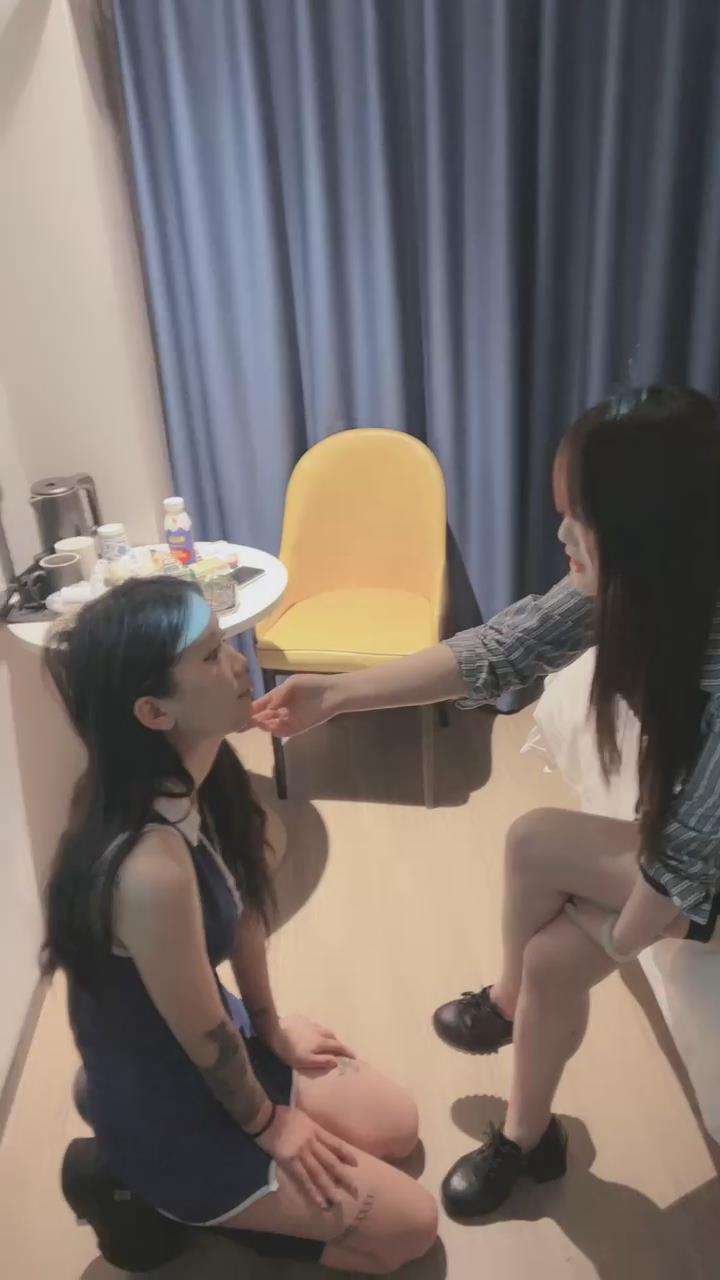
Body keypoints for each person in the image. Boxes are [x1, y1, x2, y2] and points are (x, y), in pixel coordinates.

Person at [253, 385, 720, 1219]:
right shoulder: (646, 585)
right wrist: (338, 695)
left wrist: (612, 939)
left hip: (702, 872)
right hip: (686, 845)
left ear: (650, 532)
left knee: (554, 956)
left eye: (579, 520)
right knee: (532, 843)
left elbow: (683, 866)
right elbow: (504, 648)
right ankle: (511, 1030)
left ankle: (525, 1131)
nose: (560, 536)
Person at [43, 577, 438, 1273]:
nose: (237, 663)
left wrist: (270, 1025)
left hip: (209, 1040)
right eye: (208, 655)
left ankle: (116, 1110)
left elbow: (244, 909)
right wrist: (269, 1123)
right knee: (410, 1231)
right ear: (153, 712)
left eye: (224, 641)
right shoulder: (147, 867)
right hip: (167, 1106)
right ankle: (137, 1187)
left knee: (397, 1129)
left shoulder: (206, 771)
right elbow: (202, 1034)